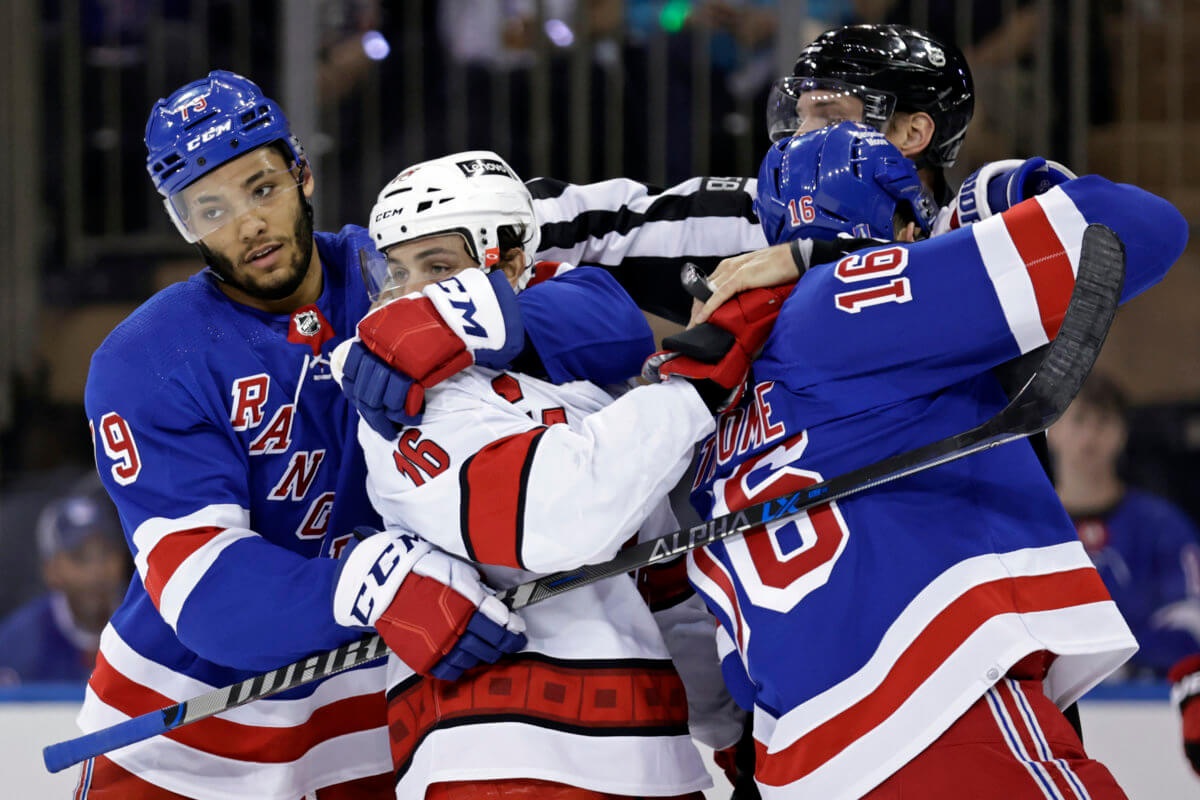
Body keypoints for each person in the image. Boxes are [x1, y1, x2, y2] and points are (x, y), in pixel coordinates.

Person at [80, 70, 764, 798]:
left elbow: (609, 321)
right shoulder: (147, 358)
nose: (247, 223)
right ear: (183, 223)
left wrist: (467, 315)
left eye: (261, 187)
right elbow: (203, 589)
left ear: (301, 173)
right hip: (189, 733)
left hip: (376, 710)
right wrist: (370, 582)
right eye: (208, 209)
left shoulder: (394, 265)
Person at [647, 121, 1188, 797]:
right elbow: (1143, 227)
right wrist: (1014, 187)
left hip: (801, 763)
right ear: (898, 222)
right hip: (942, 713)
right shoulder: (845, 295)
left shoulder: (700, 405)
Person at [333, 150, 734, 799]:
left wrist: (730, 726)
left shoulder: (592, 405)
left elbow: (667, 590)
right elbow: (548, 520)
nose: (410, 294)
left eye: (436, 268)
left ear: (511, 264)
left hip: (651, 758)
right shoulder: (393, 395)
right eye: (395, 270)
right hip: (492, 760)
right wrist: (691, 394)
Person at [1048, 373, 1200, 676]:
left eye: (1103, 422)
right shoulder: (1023, 527)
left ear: (1122, 433)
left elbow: (1190, 620)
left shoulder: (1163, 525)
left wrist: (1118, 661)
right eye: (1079, 420)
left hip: (1142, 705)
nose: (1090, 436)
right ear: (1053, 429)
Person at [0, 479, 127, 685]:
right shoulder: (15, 646)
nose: (96, 571)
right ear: (51, 570)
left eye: (106, 554)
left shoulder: (156, 625)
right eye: (80, 558)